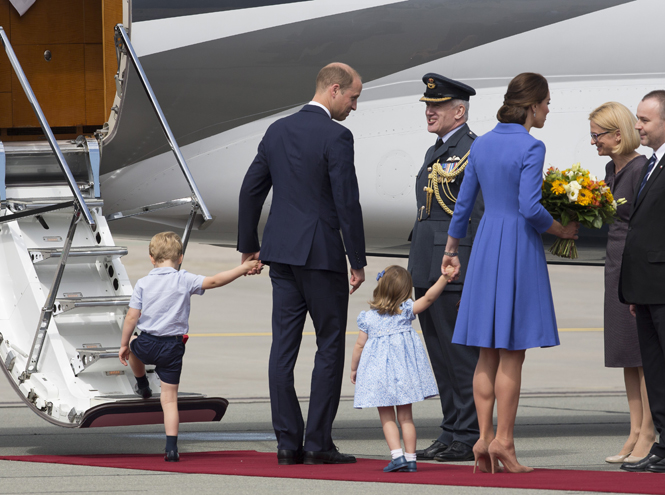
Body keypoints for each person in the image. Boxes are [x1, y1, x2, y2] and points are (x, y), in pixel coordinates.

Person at [442, 73, 578, 473]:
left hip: (485, 246)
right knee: (512, 354)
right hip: (517, 245)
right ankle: (505, 442)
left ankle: (482, 441)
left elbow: (463, 204)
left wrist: (451, 250)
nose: (549, 109)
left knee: (486, 351)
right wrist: (562, 230)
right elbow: (531, 208)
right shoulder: (531, 146)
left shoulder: (481, 144)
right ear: (533, 105)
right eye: (547, 102)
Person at [237, 63, 367, 465]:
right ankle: (317, 444)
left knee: (283, 348)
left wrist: (249, 246)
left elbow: (250, 190)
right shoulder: (337, 136)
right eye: (353, 97)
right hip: (322, 256)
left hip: (281, 256)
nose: (354, 106)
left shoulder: (277, 130)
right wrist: (357, 259)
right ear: (333, 89)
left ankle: (287, 442)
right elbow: (346, 201)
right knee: (329, 346)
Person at [119, 231, 259, 462]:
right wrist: (242, 269)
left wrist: (124, 344)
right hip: (173, 347)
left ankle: (142, 383)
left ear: (151, 258)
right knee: (169, 400)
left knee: (133, 346)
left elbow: (132, 318)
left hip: (148, 342)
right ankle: (172, 448)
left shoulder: (143, 283)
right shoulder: (184, 279)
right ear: (180, 257)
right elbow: (215, 280)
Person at [408, 73, 483, 463]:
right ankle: (451, 429)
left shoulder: (473, 150)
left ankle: (469, 433)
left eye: (436, 107)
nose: (429, 112)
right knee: (440, 356)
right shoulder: (436, 149)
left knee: (460, 356)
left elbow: (478, 212)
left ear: (459, 111)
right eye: (427, 106)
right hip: (427, 266)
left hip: (454, 268)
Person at [589, 102, 655, 464]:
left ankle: (648, 430)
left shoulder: (641, 168)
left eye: (598, 135)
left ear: (618, 134)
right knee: (627, 355)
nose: (595, 141)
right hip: (614, 264)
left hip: (634, 264)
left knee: (644, 355)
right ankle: (633, 430)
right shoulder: (609, 168)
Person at [351, 265, 453, 473]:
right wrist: (444, 278)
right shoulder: (405, 310)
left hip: (380, 376)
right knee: (406, 417)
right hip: (404, 373)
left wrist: (354, 368)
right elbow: (429, 298)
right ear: (406, 290)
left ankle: (397, 457)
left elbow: (359, 345)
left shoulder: (368, 318)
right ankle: (411, 458)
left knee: (387, 417)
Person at [619, 90, 665, 474]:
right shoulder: (652, 164)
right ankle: (664, 446)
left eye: (645, 120)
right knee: (655, 369)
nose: (638, 126)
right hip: (648, 287)